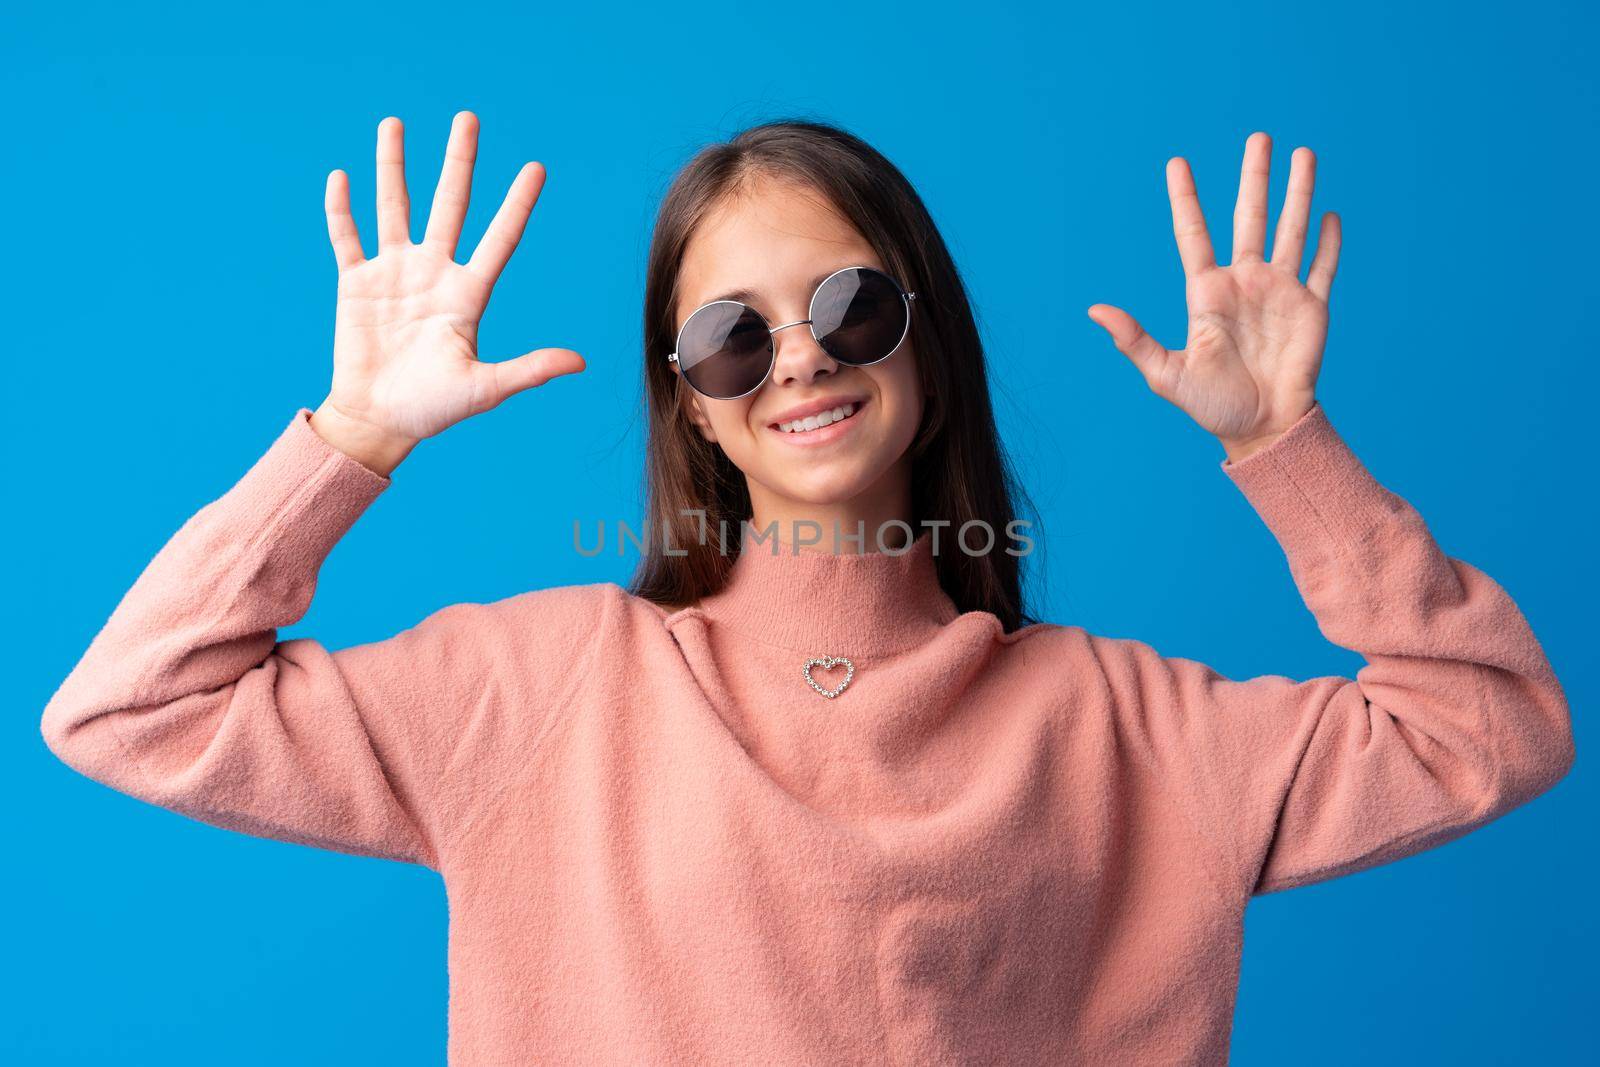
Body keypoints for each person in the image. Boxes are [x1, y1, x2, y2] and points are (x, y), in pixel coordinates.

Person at [41, 111, 1574, 1065]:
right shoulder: (549, 689)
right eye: (730, 336)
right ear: (693, 405)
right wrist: (350, 438)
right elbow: (132, 709)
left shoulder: (1127, 731)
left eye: (850, 304)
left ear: (925, 333)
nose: (800, 359)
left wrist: (1287, 448)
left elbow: (1490, 724)